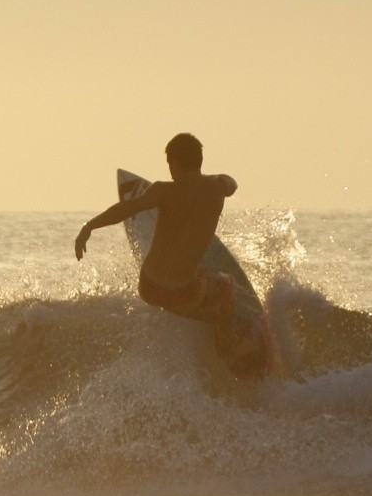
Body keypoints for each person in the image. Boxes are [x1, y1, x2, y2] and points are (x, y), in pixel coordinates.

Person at [75, 133, 259, 370]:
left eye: (170, 165)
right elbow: (232, 183)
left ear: (176, 164)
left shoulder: (163, 191)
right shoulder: (217, 189)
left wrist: (89, 226)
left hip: (149, 286)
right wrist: (220, 179)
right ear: (199, 160)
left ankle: (204, 312)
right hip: (181, 293)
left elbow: (126, 208)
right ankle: (225, 345)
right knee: (227, 286)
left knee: (198, 274)